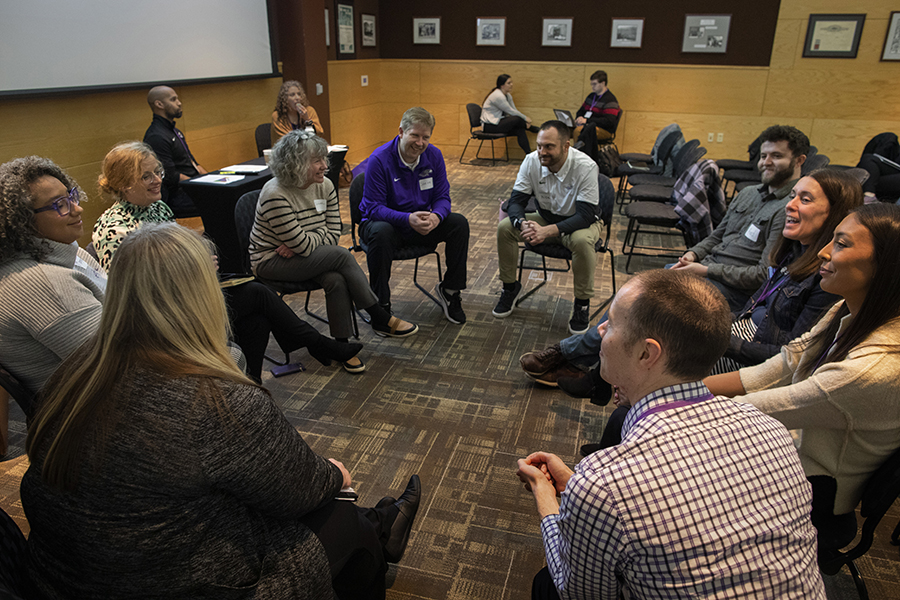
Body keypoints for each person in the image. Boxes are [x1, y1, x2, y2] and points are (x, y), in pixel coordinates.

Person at [20, 223, 422, 600]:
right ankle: (378, 530)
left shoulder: (75, 371)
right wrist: (337, 474)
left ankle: (382, 524)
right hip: (164, 583)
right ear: (205, 294)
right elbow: (300, 491)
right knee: (342, 518)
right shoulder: (215, 400)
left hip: (60, 574)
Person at [516, 270, 825, 599]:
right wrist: (584, 494)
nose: (601, 331)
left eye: (611, 323)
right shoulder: (770, 430)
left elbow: (579, 593)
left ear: (647, 354)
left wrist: (547, 498)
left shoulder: (603, 483)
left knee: (547, 584)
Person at [521, 168, 862, 401]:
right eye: (793, 196)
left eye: (805, 199)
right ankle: (598, 378)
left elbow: (790, 356)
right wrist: (693, 254)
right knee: (639, 303)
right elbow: (719, 238)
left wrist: (707, 278)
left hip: (745, 343)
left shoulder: (826, 276)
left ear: (834, 213)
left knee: (652, 326)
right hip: (738, 323)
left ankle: (595, 377)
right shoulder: (788, 247)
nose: (791, 203)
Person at [705, 202, 900, 544]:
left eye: (841, 243)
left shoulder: (872, 369)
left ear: (884, 266)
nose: (823, 252)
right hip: (793, 451)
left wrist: (667, 399)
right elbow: (782, 366)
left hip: (812, 490)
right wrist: (690, 390)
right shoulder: (850, 307)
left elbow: (766, 408)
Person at [93, 142, 362, 380]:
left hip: (191, 291)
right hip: (162, 313)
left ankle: (253, 386)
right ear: (125, 183)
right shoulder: (114, 229)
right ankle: (318, 344)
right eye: (146, 176)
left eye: (158, 172)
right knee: (258, 293)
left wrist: (196, 259)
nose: (157, 180)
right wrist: (194, 268)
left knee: (257, 320)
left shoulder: (158, 207)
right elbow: (134, 291)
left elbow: (173, 255)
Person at [249, 130, 418, 372]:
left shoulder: (325, 185)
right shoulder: (275, 193)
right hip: (271, 260)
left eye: (323, 159)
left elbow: (333, 232)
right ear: (295, 164)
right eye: (316, 160)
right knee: (341, 255)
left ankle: (341, 346)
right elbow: (310, 243)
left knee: (336, 278)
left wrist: (305, 239)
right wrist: (308, 240)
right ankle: (377, 315)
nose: (324, 166)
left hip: (303, 256)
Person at [0, 156, 105, 456]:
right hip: (93, 417)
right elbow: (119, 363)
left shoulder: (64, 250)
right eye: (61, 204)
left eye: (72, 196)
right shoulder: (44, 285)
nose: (78, 208)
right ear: (22, 221)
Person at [671, 124, 810, 310]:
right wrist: (693, 254)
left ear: (799, 160)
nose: (766, 162)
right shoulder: (748, 193)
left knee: (661, 299)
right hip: (708, 269)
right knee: (649, 287)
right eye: (763, 156)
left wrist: (705, 270)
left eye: (776, 156)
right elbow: (716, 236)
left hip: (735, 291)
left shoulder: (789, 208)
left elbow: (763, 274)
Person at [359, 107, 470, 323]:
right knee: (381, 231)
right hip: (383, 225)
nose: (420, 143)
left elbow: (442, 196)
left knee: (459, 223)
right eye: (415, 136)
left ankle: (451, 292)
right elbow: (373, 208)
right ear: (401, 132)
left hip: (418, 224)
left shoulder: (433, 156)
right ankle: (380, 304)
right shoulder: (379, 159)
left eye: (425, 137)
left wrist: (437, 216)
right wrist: (406, 218)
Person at [494, 120, 602, 335]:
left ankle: (582, 303)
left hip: (580, 223)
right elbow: (515, 202)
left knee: (581, 241)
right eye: (539, 146)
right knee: (506, 227)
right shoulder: (531, 161)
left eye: (549, 147)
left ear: (566, 146)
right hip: (545, 218)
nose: (542, 152)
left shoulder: (586, 166)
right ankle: (510, 288)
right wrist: (522, 223)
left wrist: (548, 231)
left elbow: (585, 215)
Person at [142, 85, 207, 217]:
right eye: (173, 100)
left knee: (226, 192)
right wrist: (199, 186)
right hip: (177, 194)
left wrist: (212, 179)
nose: (179, 103)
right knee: (219, 200)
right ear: (159, 104)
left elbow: (192, 162)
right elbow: (170, 176)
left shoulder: (174, 131)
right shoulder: (156, 136)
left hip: (191, 186)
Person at [480, 74, 539, 155]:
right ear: (502, 85)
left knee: (520, 130)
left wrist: (524, 120)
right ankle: (530, 128)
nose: (512, 85)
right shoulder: (498, 96)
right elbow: (511, 111)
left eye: (511, 82)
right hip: (489, 126)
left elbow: (514, 110)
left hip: (497, 123)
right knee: (517, 119)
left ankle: (529, 155)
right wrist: (525, 119)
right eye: (509, 83)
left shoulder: (508, 95)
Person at [571, 70, 621, 163]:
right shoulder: (591, 96)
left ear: (603, 83)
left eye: (594, 84)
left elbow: (609, 122)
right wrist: (579, 118)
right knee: (566, 128)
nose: (592, 87)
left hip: (604, 130)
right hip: (588, 125)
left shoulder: (610, 100)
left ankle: (579, 160)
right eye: (591, 84)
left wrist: (587, 121)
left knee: (579, 131)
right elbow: (581, 111)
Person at [271, 80, 324, 145]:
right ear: (285, 99)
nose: (297, 98)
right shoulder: (278, 115)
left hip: (308, 149)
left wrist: (307, 120)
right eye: (292, 95)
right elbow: (286, 141)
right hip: (287, 152)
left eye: (299, 94)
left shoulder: (309, 110)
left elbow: (319, 134)